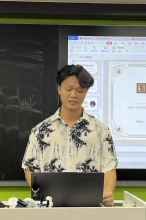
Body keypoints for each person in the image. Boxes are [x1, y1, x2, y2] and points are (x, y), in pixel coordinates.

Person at [22, 64, 117, 206]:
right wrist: (43, 192)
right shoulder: (40, 131)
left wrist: (108, 191)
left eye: (80, 90)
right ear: (59, 89)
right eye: (68, 89)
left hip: (90, 208)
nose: (73, 95)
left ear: (86, 92)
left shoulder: (101, 131)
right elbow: (30, 167)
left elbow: (109, 167)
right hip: (50, 208)